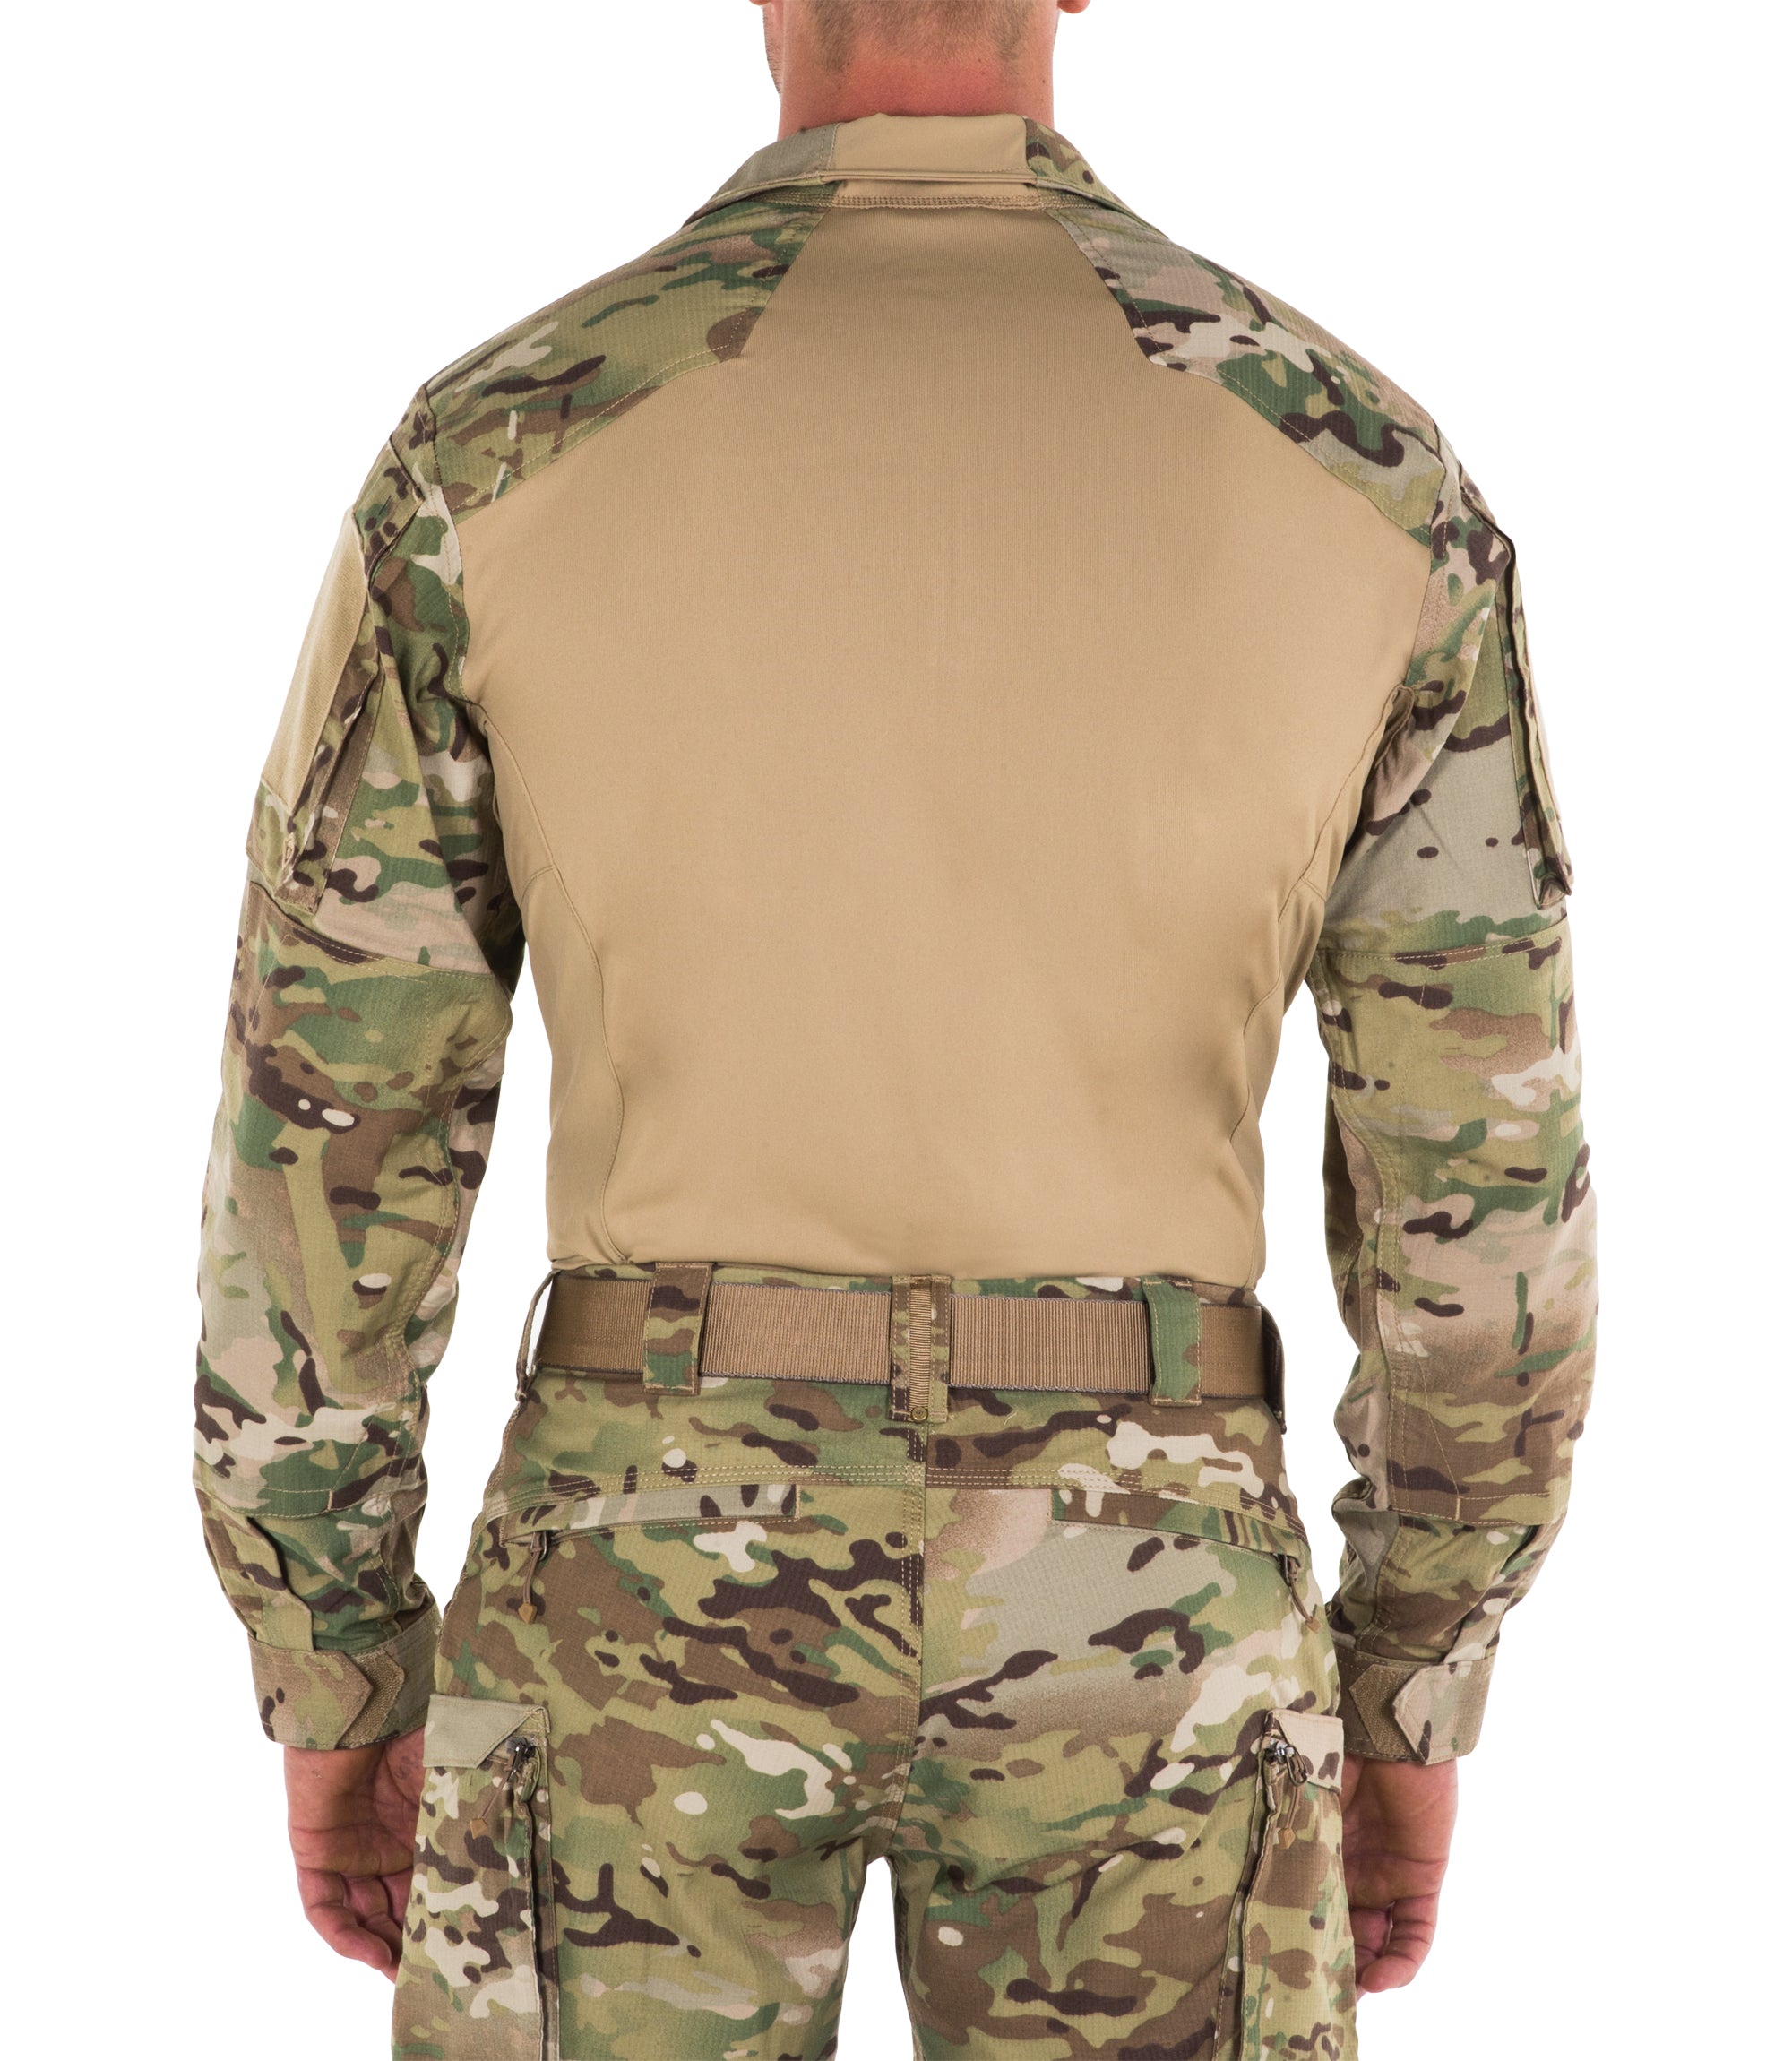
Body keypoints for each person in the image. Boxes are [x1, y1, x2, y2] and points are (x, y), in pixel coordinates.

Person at [193, 1, 1597, 2054]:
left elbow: (332, 1117)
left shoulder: (497, 449)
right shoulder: (1361, 473)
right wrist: (1410, 1676)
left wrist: (330, 1653)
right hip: (1150, 1595)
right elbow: (1480, 1182)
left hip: (640, 1566)